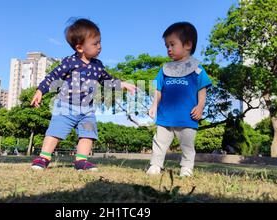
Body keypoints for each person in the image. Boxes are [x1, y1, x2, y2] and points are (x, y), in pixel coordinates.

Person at [30, 18, 136, 171]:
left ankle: (81, 161)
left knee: (88, 134)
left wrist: (123, 84)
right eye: (95, 43)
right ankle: (44, 157)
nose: (99, 47)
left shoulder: (97, 66)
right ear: (80, 47)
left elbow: (108, 80)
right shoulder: (69, 62)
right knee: (55, 132)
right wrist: (40, 90)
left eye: (100, 42)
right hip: (66, 106)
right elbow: (53, 76)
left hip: (87, 109)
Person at [146, 22, 212, 177]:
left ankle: (186, 168)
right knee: (159, 142)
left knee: (187, 145)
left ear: (188, 44)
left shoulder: (197, 69)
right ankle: (155, 165)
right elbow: (158, 89)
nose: (168, 49)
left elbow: (202, 89)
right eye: (166, 45)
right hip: (165, 116)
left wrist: (200, 106)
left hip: (187, 116)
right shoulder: (165, 69)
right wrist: (154, 105)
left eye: (172, 44)